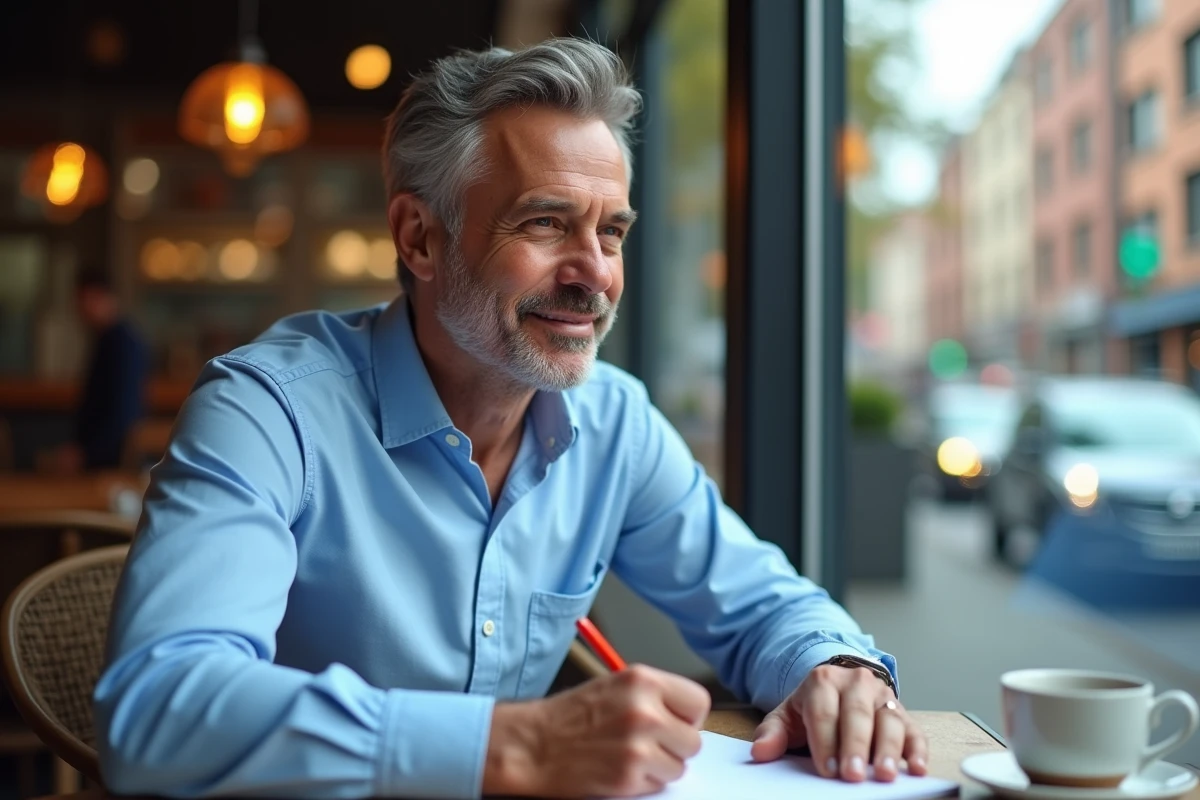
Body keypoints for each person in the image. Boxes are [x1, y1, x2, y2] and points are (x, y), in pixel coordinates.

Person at [95, 39, 928, 800]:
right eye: (545, 223)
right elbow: (157, 711)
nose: (595, 275)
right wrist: (512, 745)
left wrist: (838, 664)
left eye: (613, 231)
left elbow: (759, 605)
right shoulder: (268, 410)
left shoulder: (614, 423)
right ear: (420, 239)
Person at [51, 269, 147, 473]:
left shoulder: (123, 343)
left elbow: (123, 412)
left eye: (83, 300)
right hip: (95, 457)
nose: (79, 309)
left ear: (102, 297)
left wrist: (86, 454)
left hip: (109, 463)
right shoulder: (105, 340)